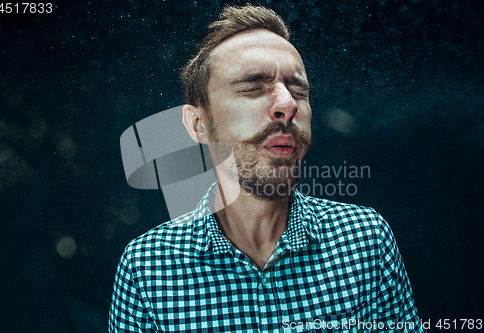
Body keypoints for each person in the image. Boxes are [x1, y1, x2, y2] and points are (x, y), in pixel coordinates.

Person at [109, 5, 425, 332]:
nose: (287, 105)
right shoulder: (146, 269)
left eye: (298, 89)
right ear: (198, 123)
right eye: (253, 86)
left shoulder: (364, 241)